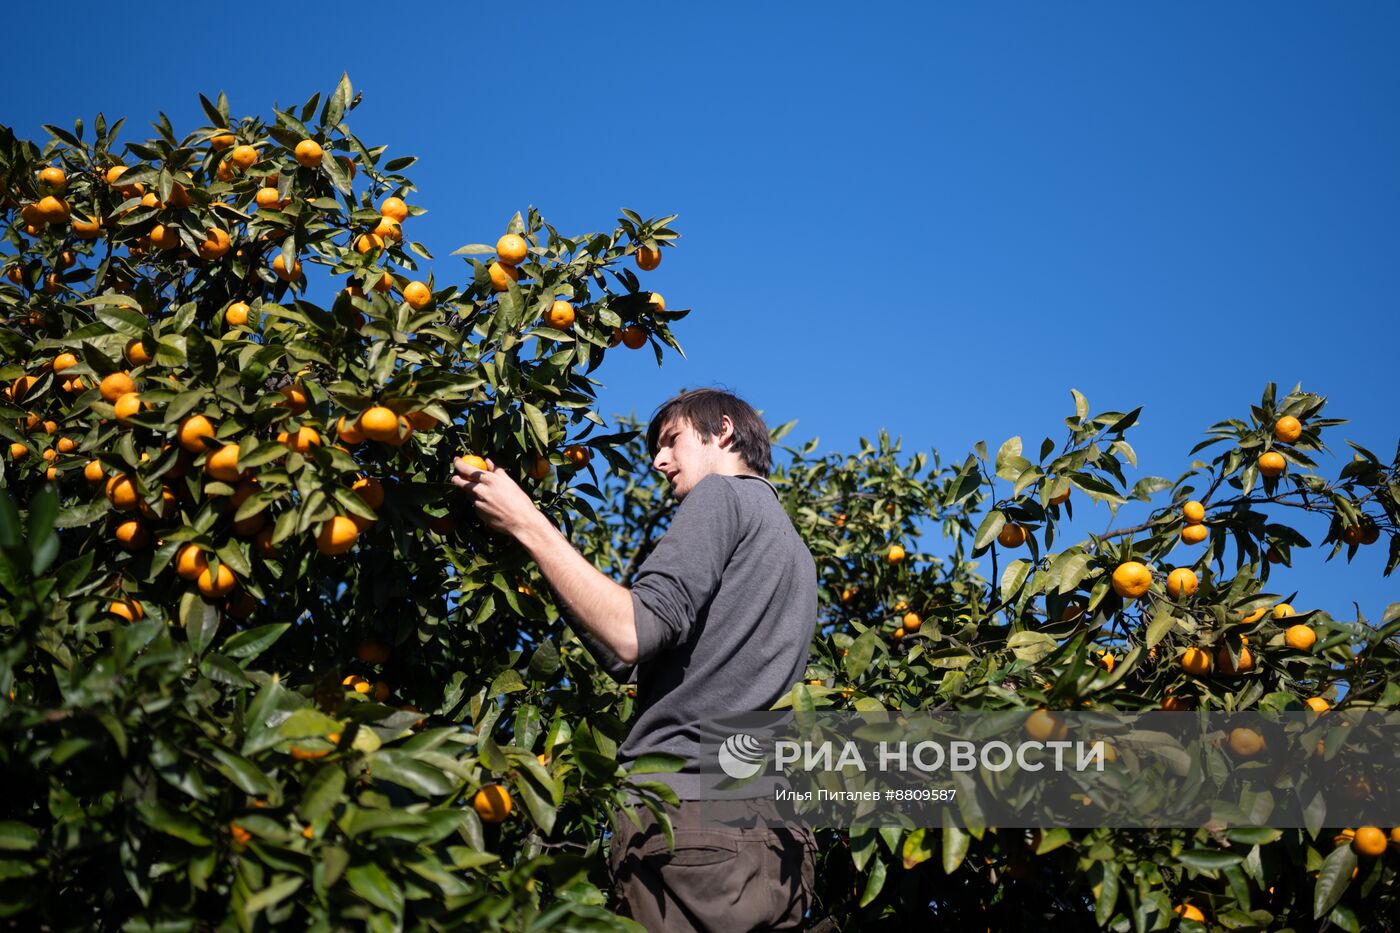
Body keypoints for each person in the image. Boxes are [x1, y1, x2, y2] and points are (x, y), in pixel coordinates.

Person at [451, 387, 819, 931]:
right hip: (779, 844)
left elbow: (630, 632)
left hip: (692, 827)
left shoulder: (720, 497)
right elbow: (633, 660)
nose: (657, 461)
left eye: (671, 441)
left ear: (721, 431)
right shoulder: (794, 550)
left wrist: (526, 521)